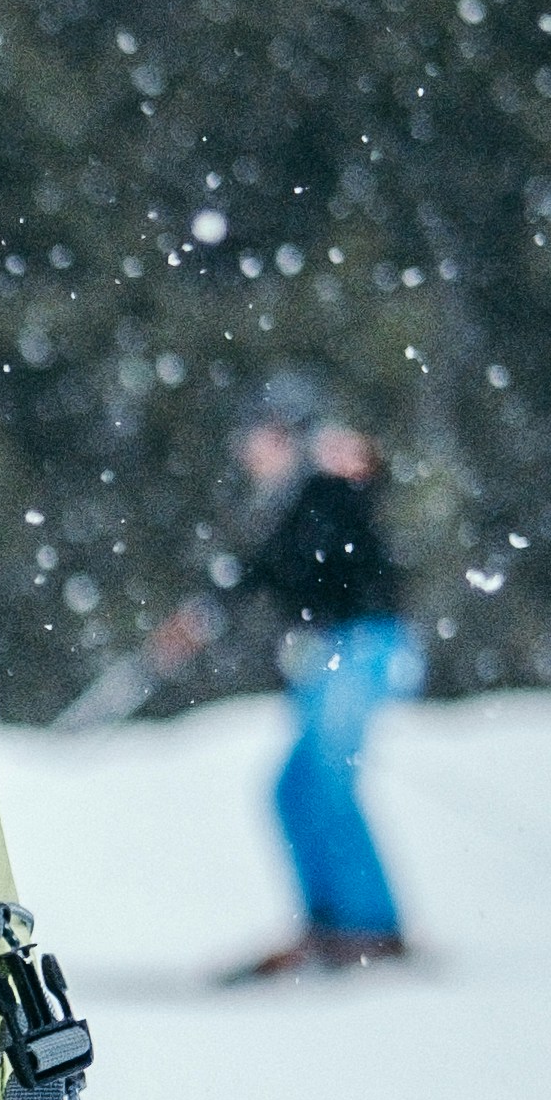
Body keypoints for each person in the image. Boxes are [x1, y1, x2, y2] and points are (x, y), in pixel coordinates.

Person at [151, 372, 420, 977]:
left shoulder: (323, 484)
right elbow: (259, 572)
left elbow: (365, 483)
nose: (247, 450)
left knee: (326, 777)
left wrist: (364, 462)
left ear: (283, 434)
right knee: (293, 787)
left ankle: (372, 927)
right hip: (332, 651)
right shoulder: (286, 502)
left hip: (365, 644)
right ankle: (328, 923)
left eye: (256, 435)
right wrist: (201, 618)